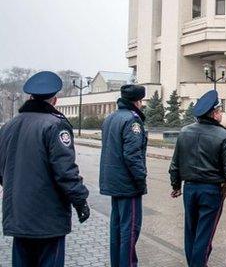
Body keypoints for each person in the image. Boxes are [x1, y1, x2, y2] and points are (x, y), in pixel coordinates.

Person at [0, 71, 90, 266]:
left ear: (30, 97)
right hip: (48, 219)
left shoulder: (9, 126)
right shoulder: (55, 126)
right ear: (55, 100)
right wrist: (80, 200)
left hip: (18, 215)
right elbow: (66, 172)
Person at [169, 90, 226, 266]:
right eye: (219, 110)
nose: (221, 114)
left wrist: (176, 186)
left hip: (189, 189)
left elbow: (175, 164)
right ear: (214, 114)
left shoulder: (184, 132)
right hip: (211, 191)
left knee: (191, 232)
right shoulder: (224, 136)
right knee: (205, 234)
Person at [100, 84, 147, 267]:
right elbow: (132, 155)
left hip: (113, 183)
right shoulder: (132, 121)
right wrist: (141, 179)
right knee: (130, 230)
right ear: (137, 101)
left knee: (117, 230)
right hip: (128, 185)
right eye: (142, 102)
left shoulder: (111, 118)